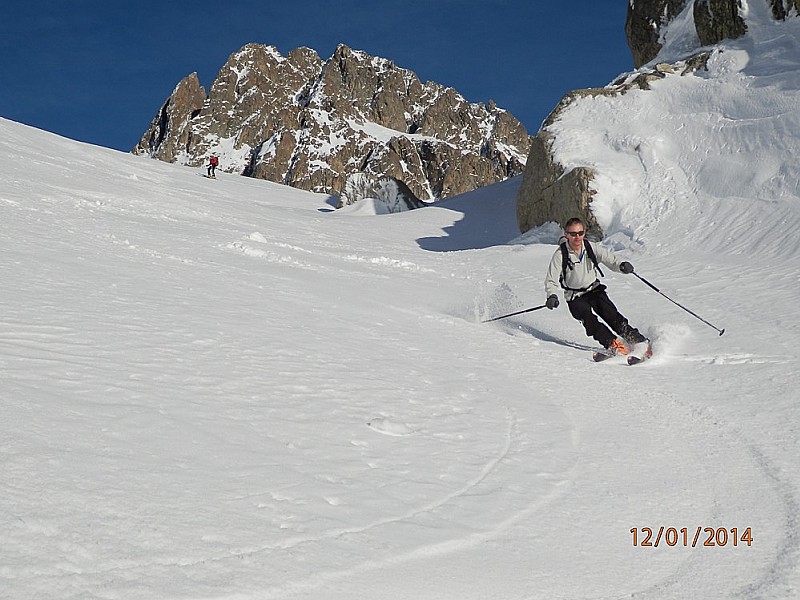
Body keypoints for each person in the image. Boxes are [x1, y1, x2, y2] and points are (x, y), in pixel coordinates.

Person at [544, 217, 648, 356]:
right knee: (589, 320)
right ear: (566, 235)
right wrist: (551, 295)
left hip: (593, 290)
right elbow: (551, 279)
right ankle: (613, 344)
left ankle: (636, 340)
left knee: (611, 315)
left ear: (584, 232)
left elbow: (610, 259)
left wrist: (622, 265)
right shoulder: (560, 254)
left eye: (580, 233)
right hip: (575, 296)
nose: (577, 237)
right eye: (573, 234)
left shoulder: (590, 247)